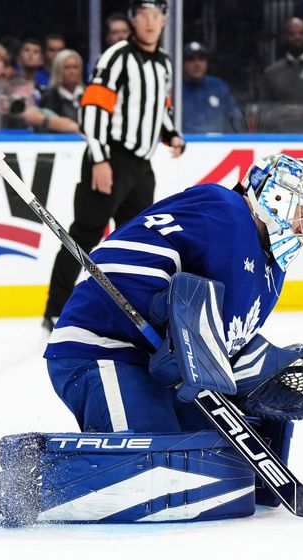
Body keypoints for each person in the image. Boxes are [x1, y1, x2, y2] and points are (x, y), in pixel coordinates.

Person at [0, 155, 303, 525]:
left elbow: (219, 342)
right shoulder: (224, 210)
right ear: (273, 196)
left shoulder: (271, 273)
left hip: (152, 368)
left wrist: (257, 373)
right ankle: (9, 487)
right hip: (103, 348)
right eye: (299, 213)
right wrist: (163, 308)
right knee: (156, 467)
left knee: (212, 463)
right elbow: (119, 258)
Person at [43, 0, 185, 331]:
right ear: (133, 20)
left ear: (164, 20)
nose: (150, 22)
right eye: (143, 15)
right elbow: (92, 110)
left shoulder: (163, 63)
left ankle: (132, 311)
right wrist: (100, 159)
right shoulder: (117, 57)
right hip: (110, 158)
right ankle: (55, 310)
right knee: (83, 235)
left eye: (156, 15)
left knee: (138, 240)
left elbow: (158, 109)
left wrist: (172, 135)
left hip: (141, 166)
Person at [258, 18, 303, 133]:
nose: (297, 37)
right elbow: (262, 112)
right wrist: (280, 112)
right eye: (292, 34)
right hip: (281, 137)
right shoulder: (271, 72)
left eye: (301, 33)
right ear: (284, 37)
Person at [181, 41, 244, 133]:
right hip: (185, 144)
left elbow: (236, 120)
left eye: (201, 59)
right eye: (191, 59)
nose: (197, 64)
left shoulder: (218, 86)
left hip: (217, 144)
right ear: (183, 64)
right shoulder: (176, 89)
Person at [40, 49, 85, 122]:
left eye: (75, 67)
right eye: (67, 68)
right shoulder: (49, 98)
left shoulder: (89, 95)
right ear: (58, 71)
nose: (72, 72)